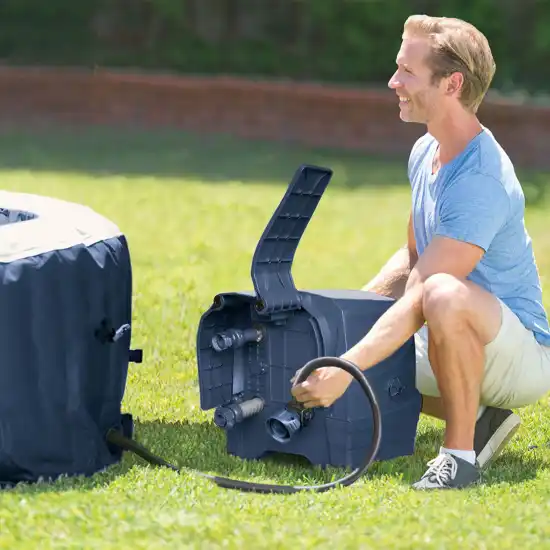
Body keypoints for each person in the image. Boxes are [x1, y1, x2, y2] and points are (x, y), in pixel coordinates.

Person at [290, 14, 550, 490]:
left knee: (444, 295)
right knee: (342, 339)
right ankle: (484, 419)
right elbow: (413, 258)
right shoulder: (425, 150)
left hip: (519, 355)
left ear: (452, 83)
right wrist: (343, 321)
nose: (393, 82)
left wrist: (348, 365)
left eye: (407, 72)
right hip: (450, 329)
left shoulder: (481, 178)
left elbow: (427, 292)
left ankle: (459, 457)